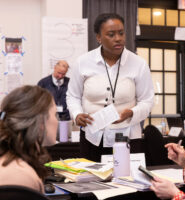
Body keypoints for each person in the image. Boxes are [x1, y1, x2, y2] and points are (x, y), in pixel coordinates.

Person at [66, 13, 154, 162]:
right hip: (92, 137)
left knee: (127, 181)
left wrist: (132, 113)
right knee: (92, 181)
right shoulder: (83, 62)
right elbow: (73, 95)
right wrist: (77, 114)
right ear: (99, 38)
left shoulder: (139, 64)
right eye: (111, 34)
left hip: (128, 137)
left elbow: (147, 100)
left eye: (121, 33)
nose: (118, 38)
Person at [0, 85, 58, 193]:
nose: (57, 121)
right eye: (55, 115)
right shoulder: (18, 176)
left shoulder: (9, 163)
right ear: (41, 122)